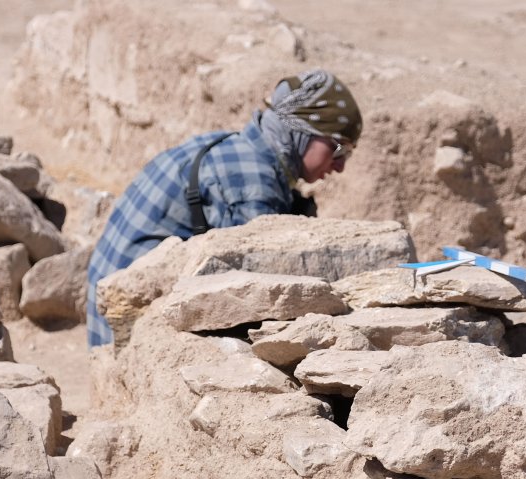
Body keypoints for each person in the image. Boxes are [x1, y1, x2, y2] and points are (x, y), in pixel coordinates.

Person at [86, 69, 363, 347]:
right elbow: (264, 293)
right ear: (302, 131)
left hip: (102, 313)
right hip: (122, 327)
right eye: (338, 148)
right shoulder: (252, 183)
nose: (341, 166)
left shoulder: (235, 146)